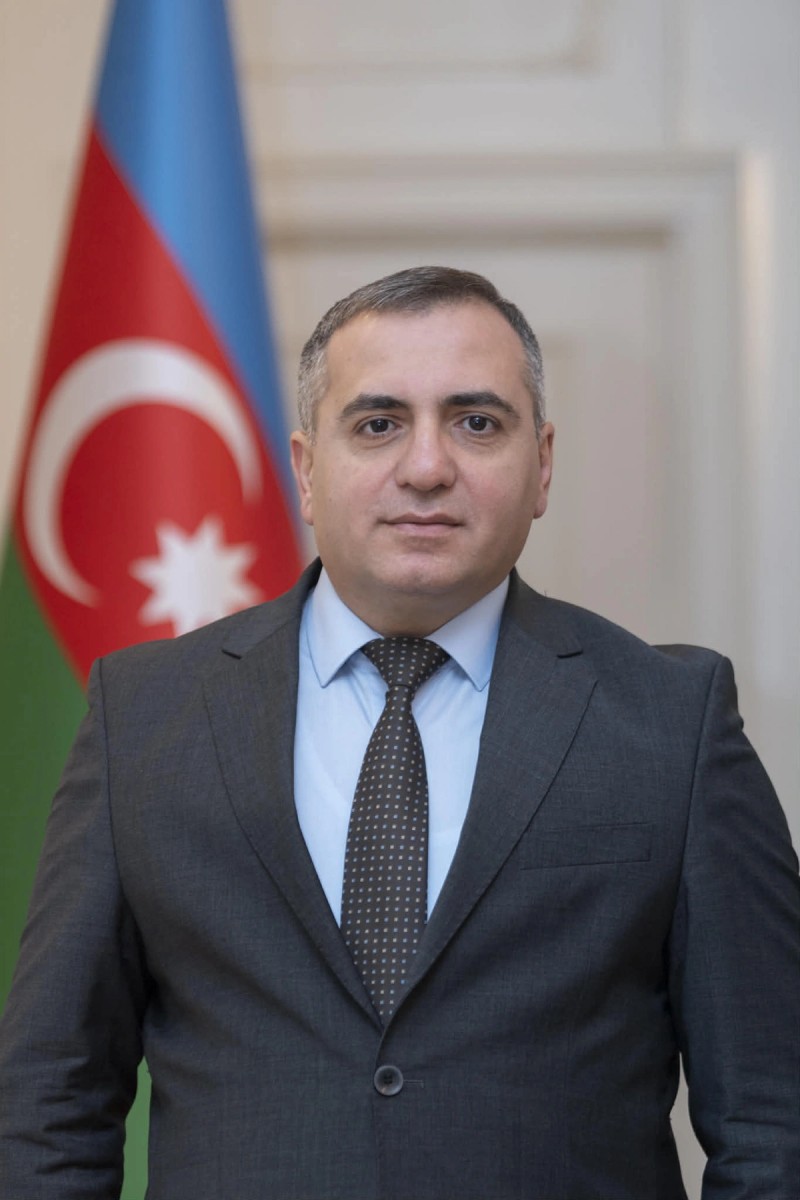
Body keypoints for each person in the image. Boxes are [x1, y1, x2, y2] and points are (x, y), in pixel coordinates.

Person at [0, 266, 798, 1199]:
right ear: (306, 470)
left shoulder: (673, 721)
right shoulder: (143, 715)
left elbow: (772, 1122)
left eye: (477, 422)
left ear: (542, 464)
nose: (426, 467)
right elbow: (50, 1104)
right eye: (378, 424)